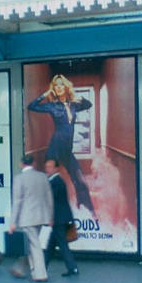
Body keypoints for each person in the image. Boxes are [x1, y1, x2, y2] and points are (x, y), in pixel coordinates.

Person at [27, 74, 95, 214]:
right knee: (50, 182)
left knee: (80, 180)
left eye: (61, 85)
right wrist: (46, 94)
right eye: (55, 85)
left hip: (67, 150)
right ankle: (44, 213)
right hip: (55, 148)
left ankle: (87, 210)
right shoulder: (52, 106)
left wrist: (76, 97)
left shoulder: (74, 104)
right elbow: (32, 106)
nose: (58, 87)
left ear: (66, 87)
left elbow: (89, 104)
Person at [7, 154, 53, 282]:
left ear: (21, 164)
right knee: (30, 244)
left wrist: (13, 222)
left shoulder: (19, 179)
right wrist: (49, 216)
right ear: (33, 164)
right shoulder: (42, 176)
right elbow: (49, 198)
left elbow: (17, 201)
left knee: (34, 246)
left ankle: (40, 274)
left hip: (26, 218)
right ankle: (19, 268)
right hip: (41, 216)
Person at [44, 158, 78, 277]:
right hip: (61, 218)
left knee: (61, 244)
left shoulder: (56, 182)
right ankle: (43, 267)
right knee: (51, 245)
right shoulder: (55, 181)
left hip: (59, 218)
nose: (47, 169)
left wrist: (50, 217)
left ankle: (72, 268)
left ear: (56, 168)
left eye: (50, 167)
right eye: (46, 166)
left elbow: (51, 201)